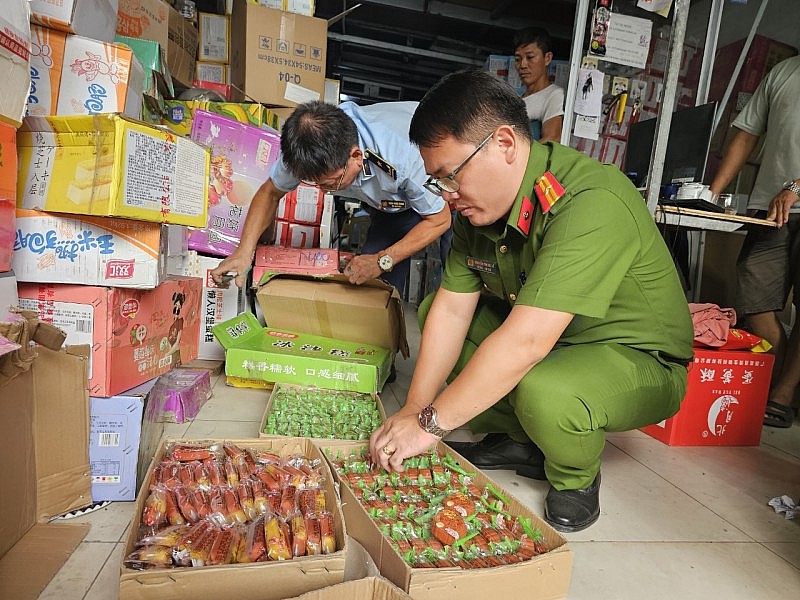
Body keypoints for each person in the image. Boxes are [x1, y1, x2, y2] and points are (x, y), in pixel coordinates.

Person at [368, 69, 693, 533]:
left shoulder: (589, 199)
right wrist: (414, 408)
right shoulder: (475, 211)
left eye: (450, 176)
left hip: (634, 356)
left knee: (545, 389)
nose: (448, 196)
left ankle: (575, 474)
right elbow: (452, 310)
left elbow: (527, 342)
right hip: (555, 341)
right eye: (438, 184)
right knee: (436, 313)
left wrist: (429, 427)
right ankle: (520, 439)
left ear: (504, 143)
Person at [210, 101, 452, 295]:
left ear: (356, 156)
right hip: (389, 203)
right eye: (315, 183)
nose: (324, 191)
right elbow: (270, 193)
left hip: (445, 188)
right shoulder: (304, 148)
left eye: (330, 183)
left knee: (454, 270)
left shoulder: (406, 157)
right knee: (375, 288)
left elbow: (439, 220)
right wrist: (244, 252)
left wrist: (381, 261)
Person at [709, 55, 800, 428]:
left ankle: (782, 395)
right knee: (754, 297)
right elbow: (746, 135)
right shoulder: (783, 71)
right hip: (769, 207)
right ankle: (776, 382)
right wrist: (711, 195)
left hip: (792, 197)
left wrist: (797, 187)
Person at [513, 27, 564, 144]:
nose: (523, 65)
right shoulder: (518, 97)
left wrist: (519, 153)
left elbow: (552, 139)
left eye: (530, 57)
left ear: (547, 58)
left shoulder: (553, 95)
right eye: (517, 59)